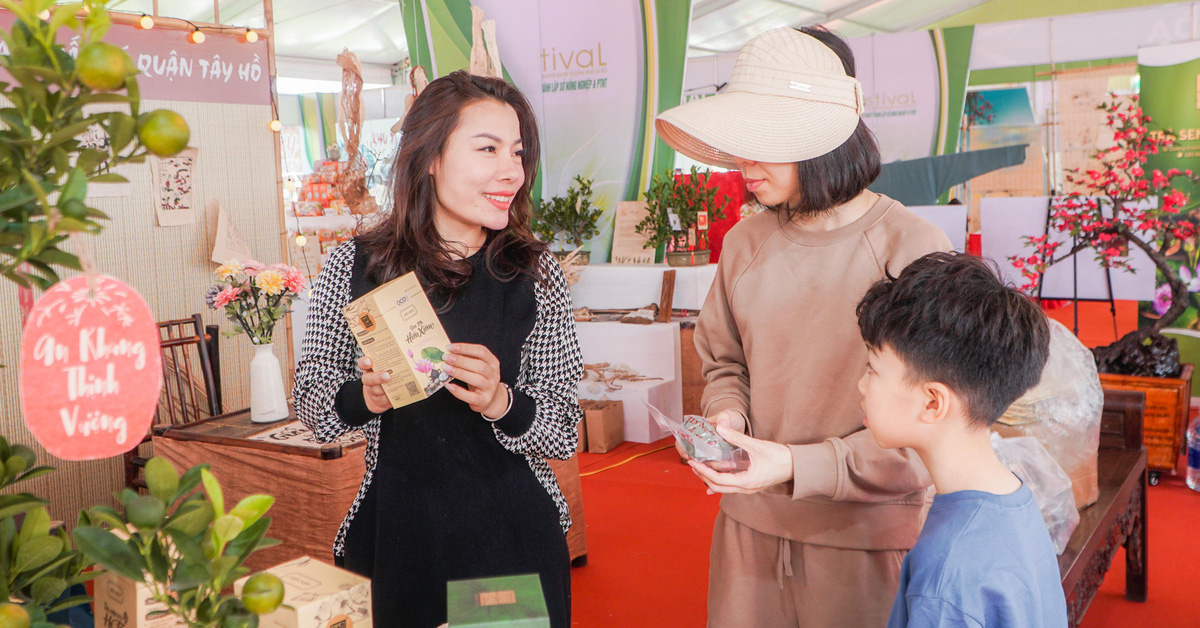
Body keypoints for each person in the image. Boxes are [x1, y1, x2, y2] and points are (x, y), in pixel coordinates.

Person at [655, 27, 952, 626]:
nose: (743, 160)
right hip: (748, 529)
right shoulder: (743, 243)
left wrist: (794, 465)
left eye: (762, 139)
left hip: (865, 539)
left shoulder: (913, 247)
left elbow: (933, 423)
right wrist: (727, 417)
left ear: (820, 139)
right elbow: (725, 361)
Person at [294, 70, 582, 628]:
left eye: (518, 152)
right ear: (430, 156)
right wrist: (366, 397)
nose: (512, 171)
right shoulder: (357, 265)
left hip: (507, 544)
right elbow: (312, 403)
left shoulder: (533, 272)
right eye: (488, 149)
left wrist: (501, 401)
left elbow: (563, 430)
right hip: (398, 540)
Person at [854, 251, 1067, 626]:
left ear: (932, 402)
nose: (861, 385)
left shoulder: (946, 575)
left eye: (872, 369)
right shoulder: (1012, 496)